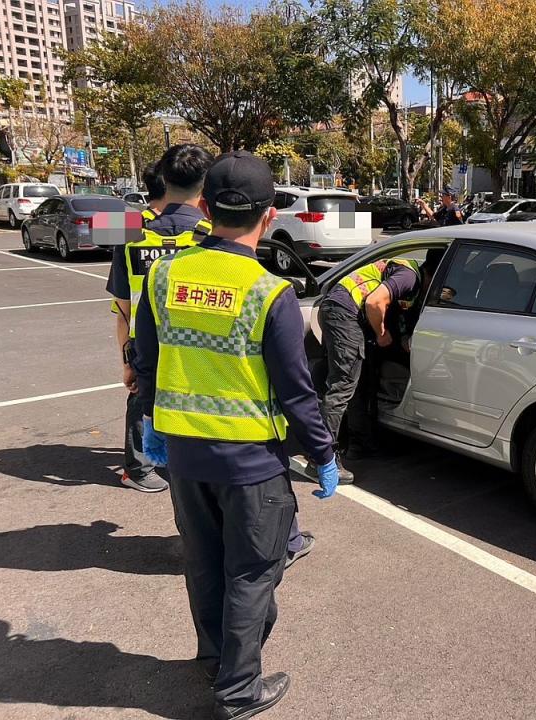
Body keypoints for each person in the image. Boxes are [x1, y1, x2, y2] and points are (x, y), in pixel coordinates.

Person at [133, 150, 339, 719]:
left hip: (184, 459)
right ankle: (239, 689)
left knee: (204, 563)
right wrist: (322, 455)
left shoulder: (162, 276)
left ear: (204, 208)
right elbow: (297, 393)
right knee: (252, 573)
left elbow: (145, 364)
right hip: (252, 465)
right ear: (268, 215)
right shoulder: (269, 294)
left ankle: (215, 657)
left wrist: (152, 430)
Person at [108, 144, 214, 493]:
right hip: (198, 339)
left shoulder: (128, 229)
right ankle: (190, 465)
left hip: (143, 338)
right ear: (205, 184)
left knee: (142, 401)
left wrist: (125, 358)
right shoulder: (209, 233)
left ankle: (139, 468)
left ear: (162, 179)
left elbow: (122, 304)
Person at [318, 248, 445, 479]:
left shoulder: (411, 284)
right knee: (343, 385)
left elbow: (398, 312)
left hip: (342, 311)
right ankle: (322, 460)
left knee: (360, 383)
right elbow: (375, 303)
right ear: (433, 276)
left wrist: (404, 335)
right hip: (344, 313)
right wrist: (381, 333)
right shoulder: (409, 276)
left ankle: (361, 444)